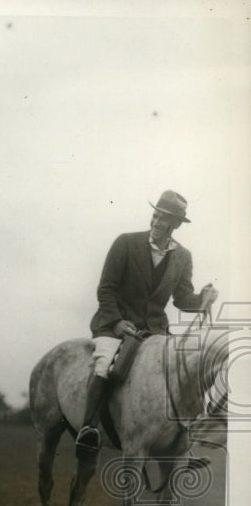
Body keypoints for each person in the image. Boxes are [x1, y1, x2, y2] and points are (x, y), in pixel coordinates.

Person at [76, 190, 218, 458]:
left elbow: (182, 298)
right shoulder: (125, 243)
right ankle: (88, 430)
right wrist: (117, 322)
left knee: (185, 372)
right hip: (114, 326)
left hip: (154, 332)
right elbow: (105, 289)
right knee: (105, 365)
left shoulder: (182, 257)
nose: (156, 222)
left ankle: (186, 441)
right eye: (155, 215)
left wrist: (203, 298)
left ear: (175, 224)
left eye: (163, 219)